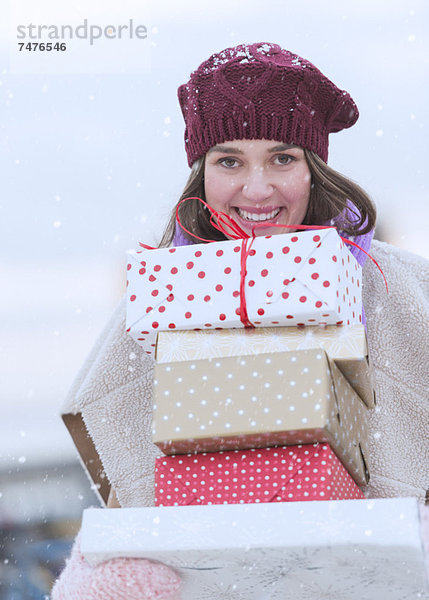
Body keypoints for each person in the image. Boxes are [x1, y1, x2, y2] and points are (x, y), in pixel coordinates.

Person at [52, 42, 429, 599]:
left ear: (314, 168)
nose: (256, 190)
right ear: (203, 173)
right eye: (229, 160)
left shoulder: (393, 282)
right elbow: (111, 422)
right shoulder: (163, 293)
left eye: (282, 158)